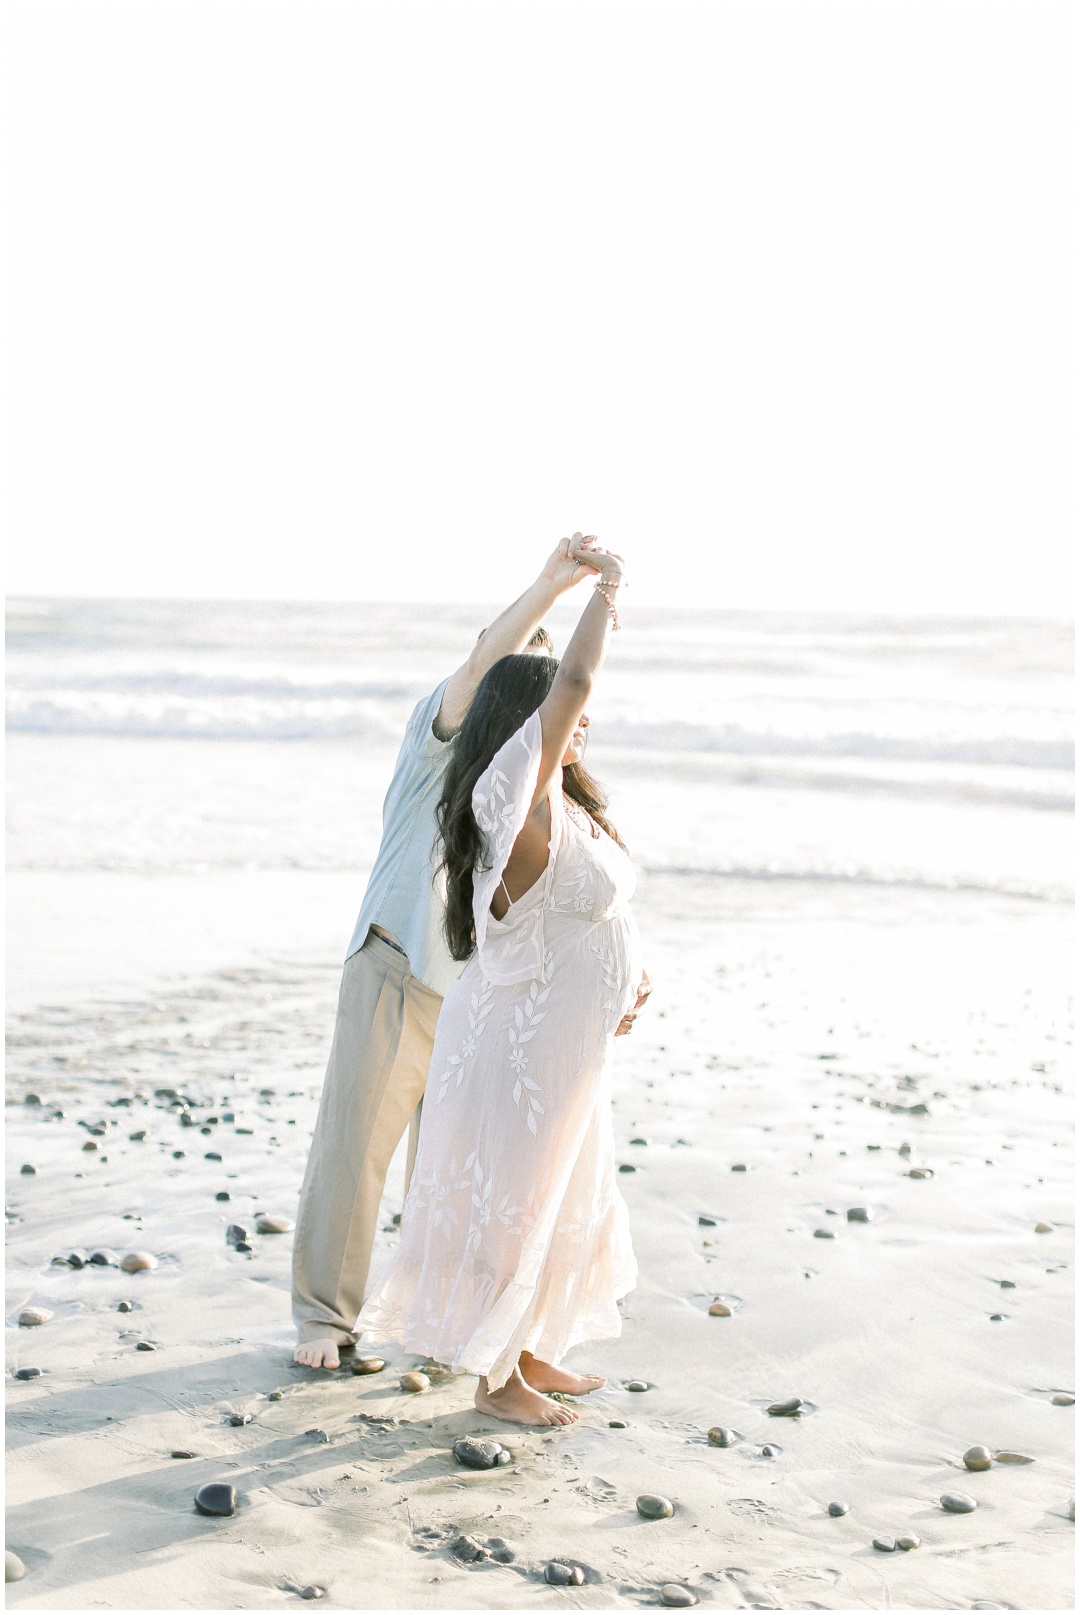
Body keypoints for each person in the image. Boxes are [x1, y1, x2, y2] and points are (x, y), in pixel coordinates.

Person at [355, 537, 652, 1426]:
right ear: (529, 731)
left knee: (564, 1187)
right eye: (562, 720)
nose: (582, 727)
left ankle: (528, 1349)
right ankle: (494, 1383)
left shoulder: (564, 806)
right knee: (519, 1198)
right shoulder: (506, 799)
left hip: (561, 1042)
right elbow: (574, 686)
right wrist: (610, 591)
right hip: (517, 1054)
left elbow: (579, 918)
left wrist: (624, 990)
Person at [292, 538, 602, 1370]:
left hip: (476, 994)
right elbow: (481, 662)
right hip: (397, 965)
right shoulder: (439, 746)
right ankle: (324, 1316)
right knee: (355, 1150)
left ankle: (447, 1326)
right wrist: (549, 590)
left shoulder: (521, 792)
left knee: (454, 1170)